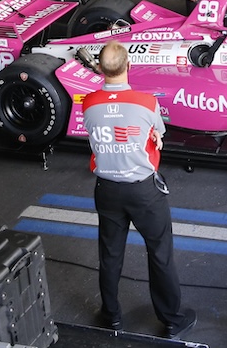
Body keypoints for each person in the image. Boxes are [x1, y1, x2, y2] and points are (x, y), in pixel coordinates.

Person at [84, 42, 197, 340]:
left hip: (106, 190)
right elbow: (157, 132)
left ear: (100, 69)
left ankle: (111, 317)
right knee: (160, 252)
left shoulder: (89, 102)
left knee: (110, 254)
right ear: (128, 66)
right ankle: (172, 319)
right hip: (144, 192)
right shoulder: (147, 102)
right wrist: (154, 137)